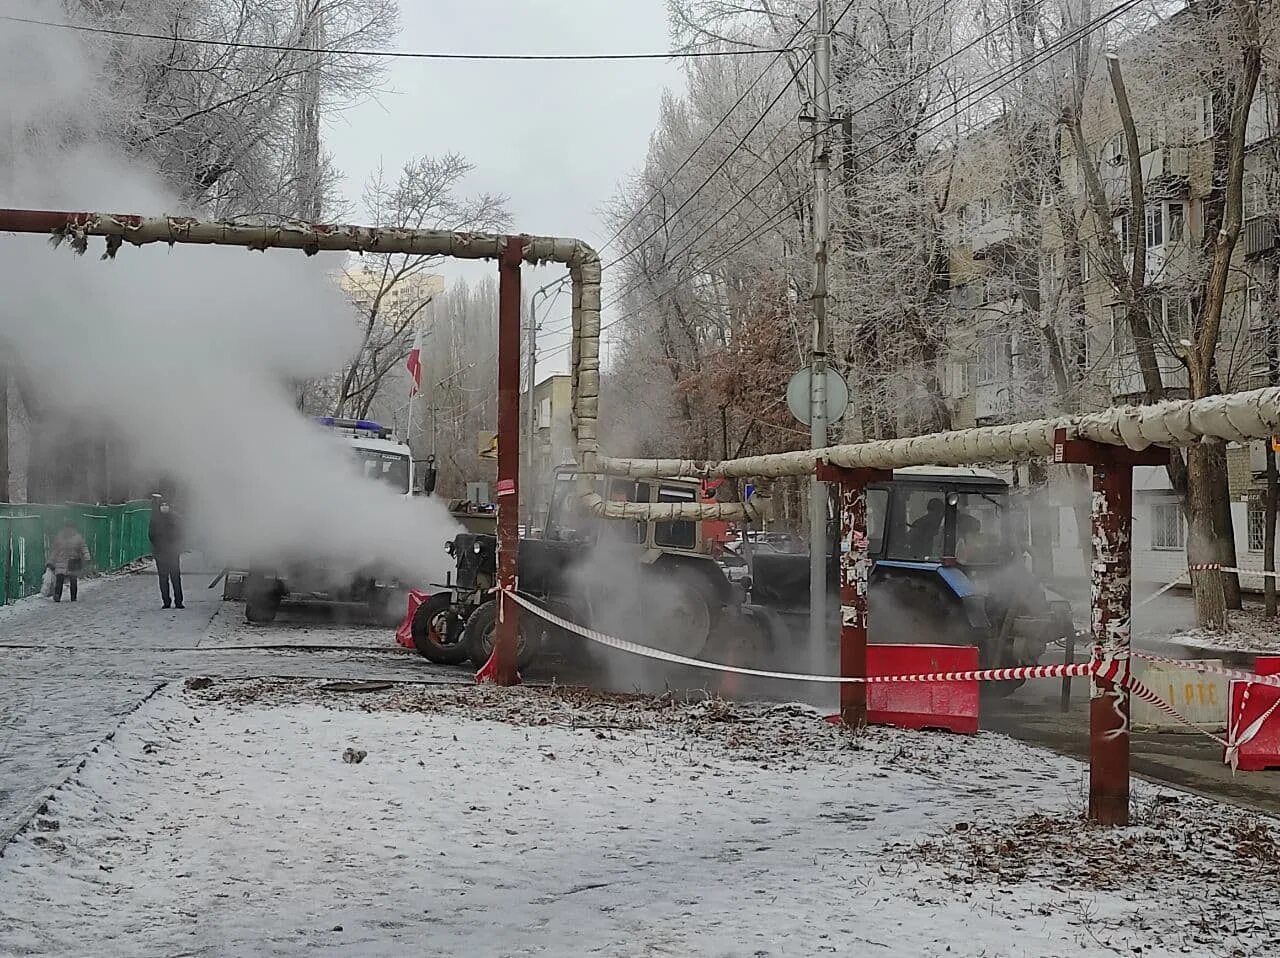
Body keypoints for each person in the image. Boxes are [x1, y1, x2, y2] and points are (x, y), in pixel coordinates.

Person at [149, 495, 185, 610]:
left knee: (175, 577)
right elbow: (151, 535)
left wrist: (175, 545)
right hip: (160, 552)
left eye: (166, 505)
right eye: (162, 505)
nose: (164, 507)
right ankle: (166, 601)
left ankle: (178, 601)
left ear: (169, 506)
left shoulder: (175, 518)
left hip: (172, 552)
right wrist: (158, 545)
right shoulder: (155, 519)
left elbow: (180, 534)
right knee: (163, 578)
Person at [50, 520, 91, 603]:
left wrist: (87, 556)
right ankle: (57, 595)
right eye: (66, 528)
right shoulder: (60, 537)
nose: (68, 530)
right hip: (61, 561)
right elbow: (55, 550)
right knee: (59, 579)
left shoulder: (78, 538)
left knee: (73, 580)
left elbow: (83, 547)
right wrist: (51, 561)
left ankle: (73, 597)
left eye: (70, 528)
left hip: (73, 561)